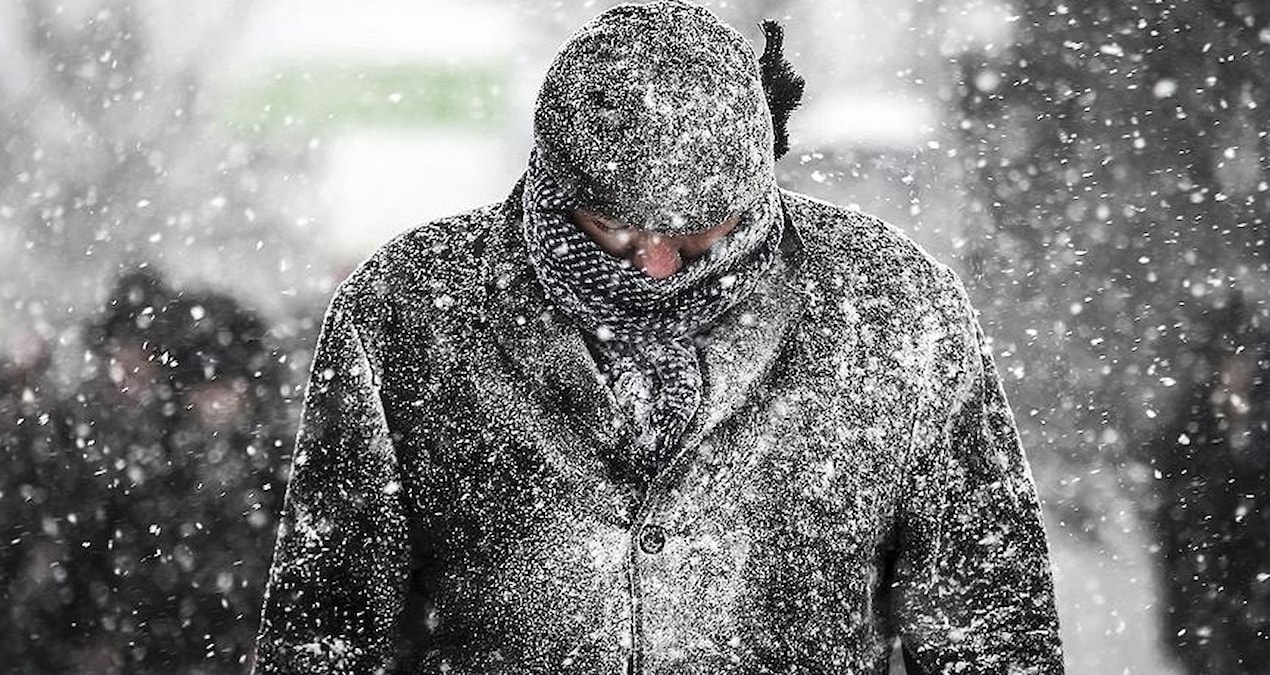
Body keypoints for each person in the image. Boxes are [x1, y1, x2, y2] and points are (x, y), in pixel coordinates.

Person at [254, 2, 1066, 673]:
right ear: (551, 180)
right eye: (611, 226)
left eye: (702, 232)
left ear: (762, 177)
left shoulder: (896, 312)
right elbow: (326, 626)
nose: (656, 265)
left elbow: (989, 622)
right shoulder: (408, 311)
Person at [1146, 291, 1270, 673]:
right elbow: (1175, 528)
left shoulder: (1255, 425)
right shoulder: (1187, 431)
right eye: (1229, 357)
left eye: (1246, 358)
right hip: (1207, 605)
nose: (1238, 370)